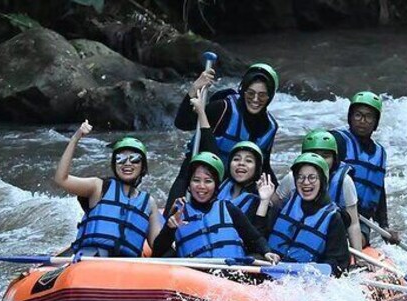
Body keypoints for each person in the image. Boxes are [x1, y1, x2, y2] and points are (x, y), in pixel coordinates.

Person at [165, 62, 280, 213]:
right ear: (243, 90)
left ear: (270, 97)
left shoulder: (270, 127)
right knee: (171, 218)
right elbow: (182, 123)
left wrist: (279, 193)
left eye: (262, 95)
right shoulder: (223, 108)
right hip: (196, 176)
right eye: (250, 93)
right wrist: (194, 89)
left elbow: (263, 166)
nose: (255, 99)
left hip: (231, 184)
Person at [54, 120, 162, 257]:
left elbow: (158, 246)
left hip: (127, 268)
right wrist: (76, 138)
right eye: (120, 158)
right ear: (114, 164)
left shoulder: (149, 203)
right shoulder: (98, 187)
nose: (127, 163)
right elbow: (61, 179)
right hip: (92, 260)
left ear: (143, 166)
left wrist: (171, 227)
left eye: (134, 159)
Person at [153, 151, 280, 263]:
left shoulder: (228, 208)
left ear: (215, 186)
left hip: (233, 274)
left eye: (208, 181)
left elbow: (254, 238)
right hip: (196, 277)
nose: (201, 186)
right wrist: (169, 229)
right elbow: (158, 252)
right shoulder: (179, 212)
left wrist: (266, 251)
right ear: (189, 185)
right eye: (196, 180)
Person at [258, 152, 350, 276]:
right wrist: (264, 201)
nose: (306, 182)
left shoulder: (334, 217)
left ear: (322, 181)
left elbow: (338, 263)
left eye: (312, 177)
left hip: (298, 279)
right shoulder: (288, 202)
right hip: (268, 266)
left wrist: (312, 271)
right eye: (300, 177)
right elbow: (260, 233)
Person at [273, 130, 363, 251]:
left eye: (325, 156)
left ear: (334, 159)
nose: (319, 160)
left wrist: (359, 256)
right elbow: (275, 210)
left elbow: (353, 224)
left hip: (327, 240)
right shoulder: (291, 179)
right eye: (313, 154)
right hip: (291, 236)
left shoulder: (344, 182)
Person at [331, 91, 400, 246]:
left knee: (360, 241)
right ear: (350, 117)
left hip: (361, 219)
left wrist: (384, 226)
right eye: (358, 115)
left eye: (369, 117)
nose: (363, 121)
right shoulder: (337, 141)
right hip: (334, 213)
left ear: (376, 122)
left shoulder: (380, 153)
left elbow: (378, 190)